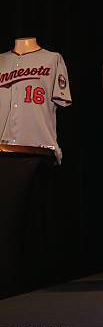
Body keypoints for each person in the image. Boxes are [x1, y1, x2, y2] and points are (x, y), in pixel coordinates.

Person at [0, 37, 72, 298]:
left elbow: (61, 100)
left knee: (28, 230)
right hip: (3, 150)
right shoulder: (2, 61)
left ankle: (30, 286)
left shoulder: (52, 59)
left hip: (38, 148)